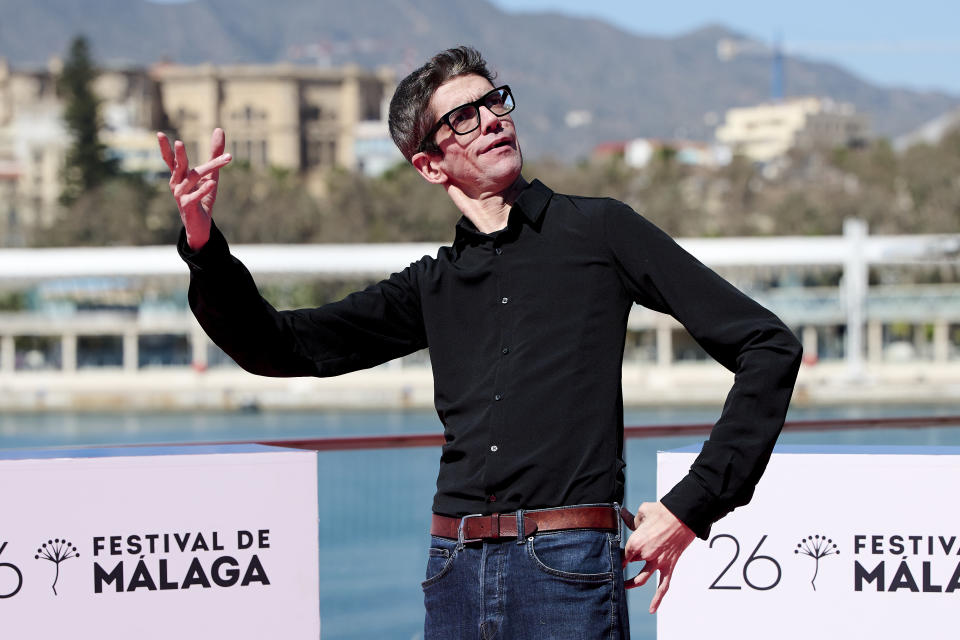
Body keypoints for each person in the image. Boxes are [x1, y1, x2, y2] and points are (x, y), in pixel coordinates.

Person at [159, 46, 802, 639]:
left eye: (495, 102)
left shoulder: (601, 232)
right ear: (430, 165)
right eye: (463, 117)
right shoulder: (433, 284)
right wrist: (202, 245)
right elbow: (282, 347)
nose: (492, 118)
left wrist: (693, 505)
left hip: (568, 570)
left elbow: (768, 347)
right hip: (453, 570)